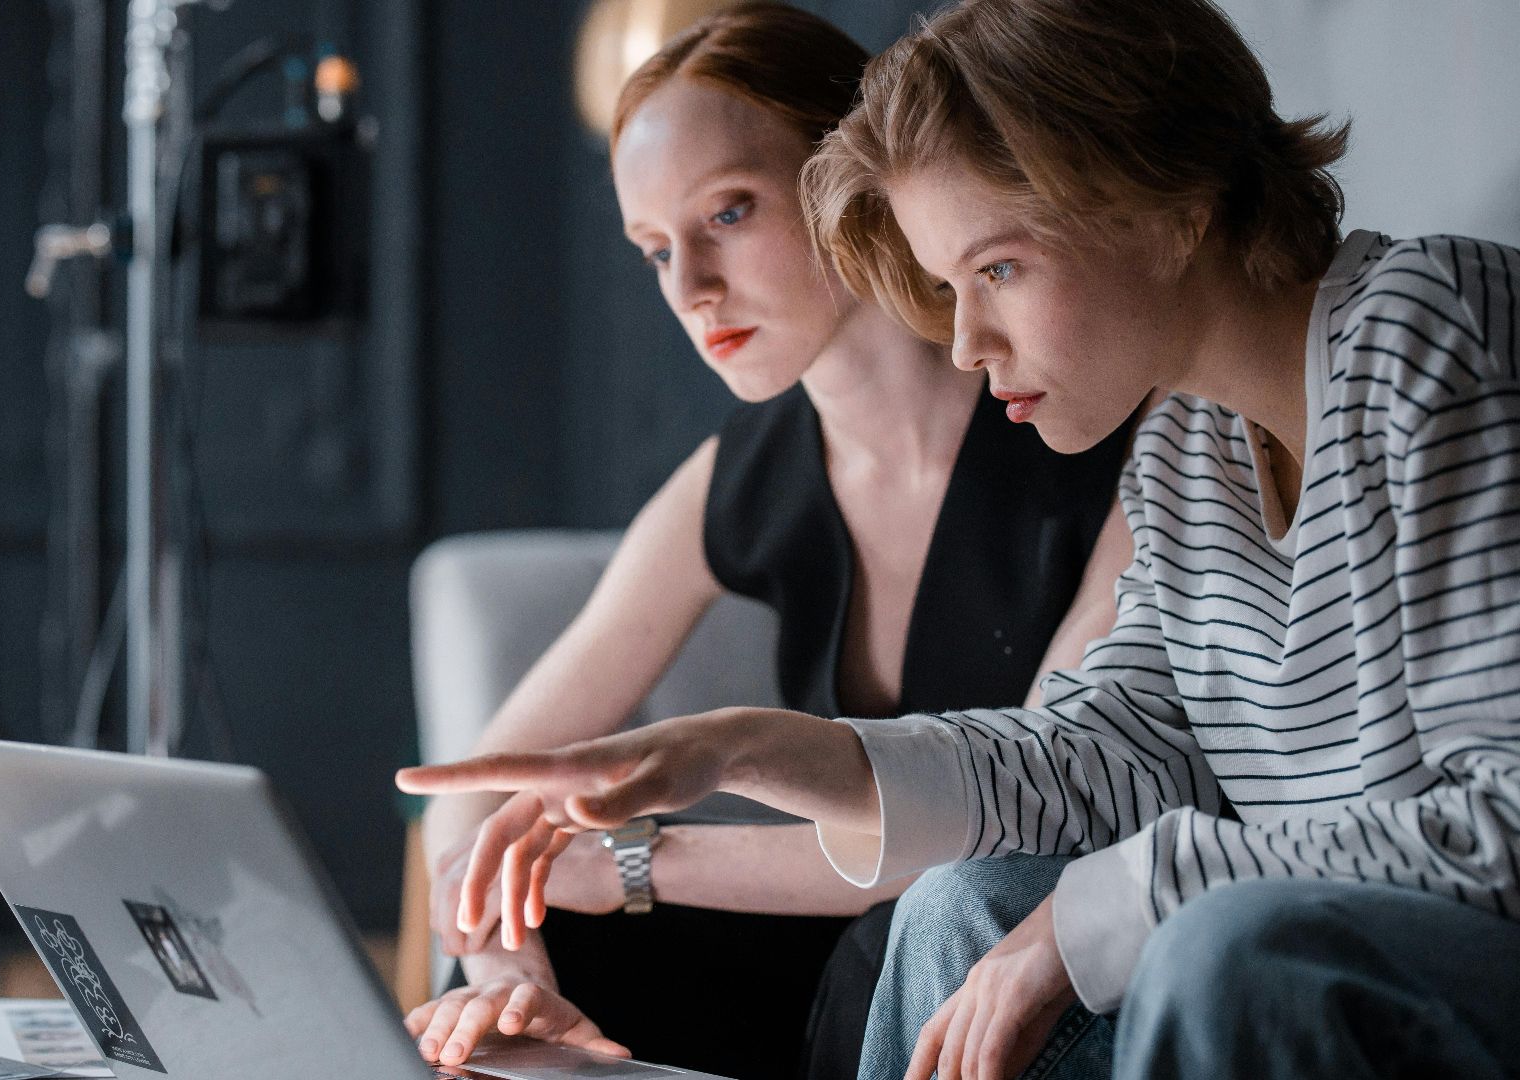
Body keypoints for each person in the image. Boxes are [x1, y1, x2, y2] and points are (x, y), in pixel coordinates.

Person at [399, 0, 1520, 1077]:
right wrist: (744, 749)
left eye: (998, 270)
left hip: (1427, 961)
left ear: (1172, 210)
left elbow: (1503, 826)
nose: (968, 340)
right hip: (1299, 957)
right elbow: (1102, 759)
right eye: (950, 284)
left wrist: (1111, 903)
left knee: (1218, 948)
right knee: (961, 905)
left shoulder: (1429, 322)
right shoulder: (1191, 443)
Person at [407, 4, 1136, 1077]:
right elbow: (470, 790)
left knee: (927, 910)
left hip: (994, 927)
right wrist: (511, 973)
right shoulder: (742, 477)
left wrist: (639, 860)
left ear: (854, 181)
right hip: (826, 959)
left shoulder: (1080, 417)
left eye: (730, 212)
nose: (689, 289)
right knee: (534, 963)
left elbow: (1014, 814)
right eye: (656, 250)